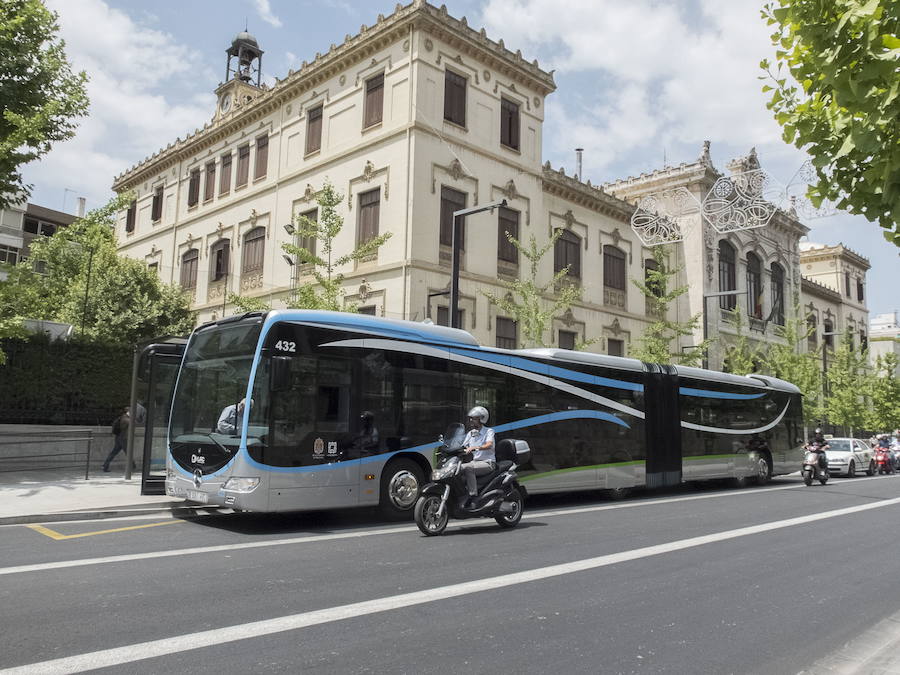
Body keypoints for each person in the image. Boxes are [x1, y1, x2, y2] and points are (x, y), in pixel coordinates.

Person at [459, 405, 495, 509]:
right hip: (475, 463)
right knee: (456, 469)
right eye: (470, 418)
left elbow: (489, 445)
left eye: (474, 418)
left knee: (468, 468)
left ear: (481, 419)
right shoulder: (471, 433)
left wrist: (475, 447)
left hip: (488, 463)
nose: (471, 420)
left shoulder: (489, 431)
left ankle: (473, 496)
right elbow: (463, 446)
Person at [102, 407, 130, 472]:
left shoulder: (120, 418)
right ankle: (133, 466)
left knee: (114, 452)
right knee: (129, 453)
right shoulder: (126, 419)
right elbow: (126, 426)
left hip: (118, 437)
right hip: (123, 438)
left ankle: (105, 465)